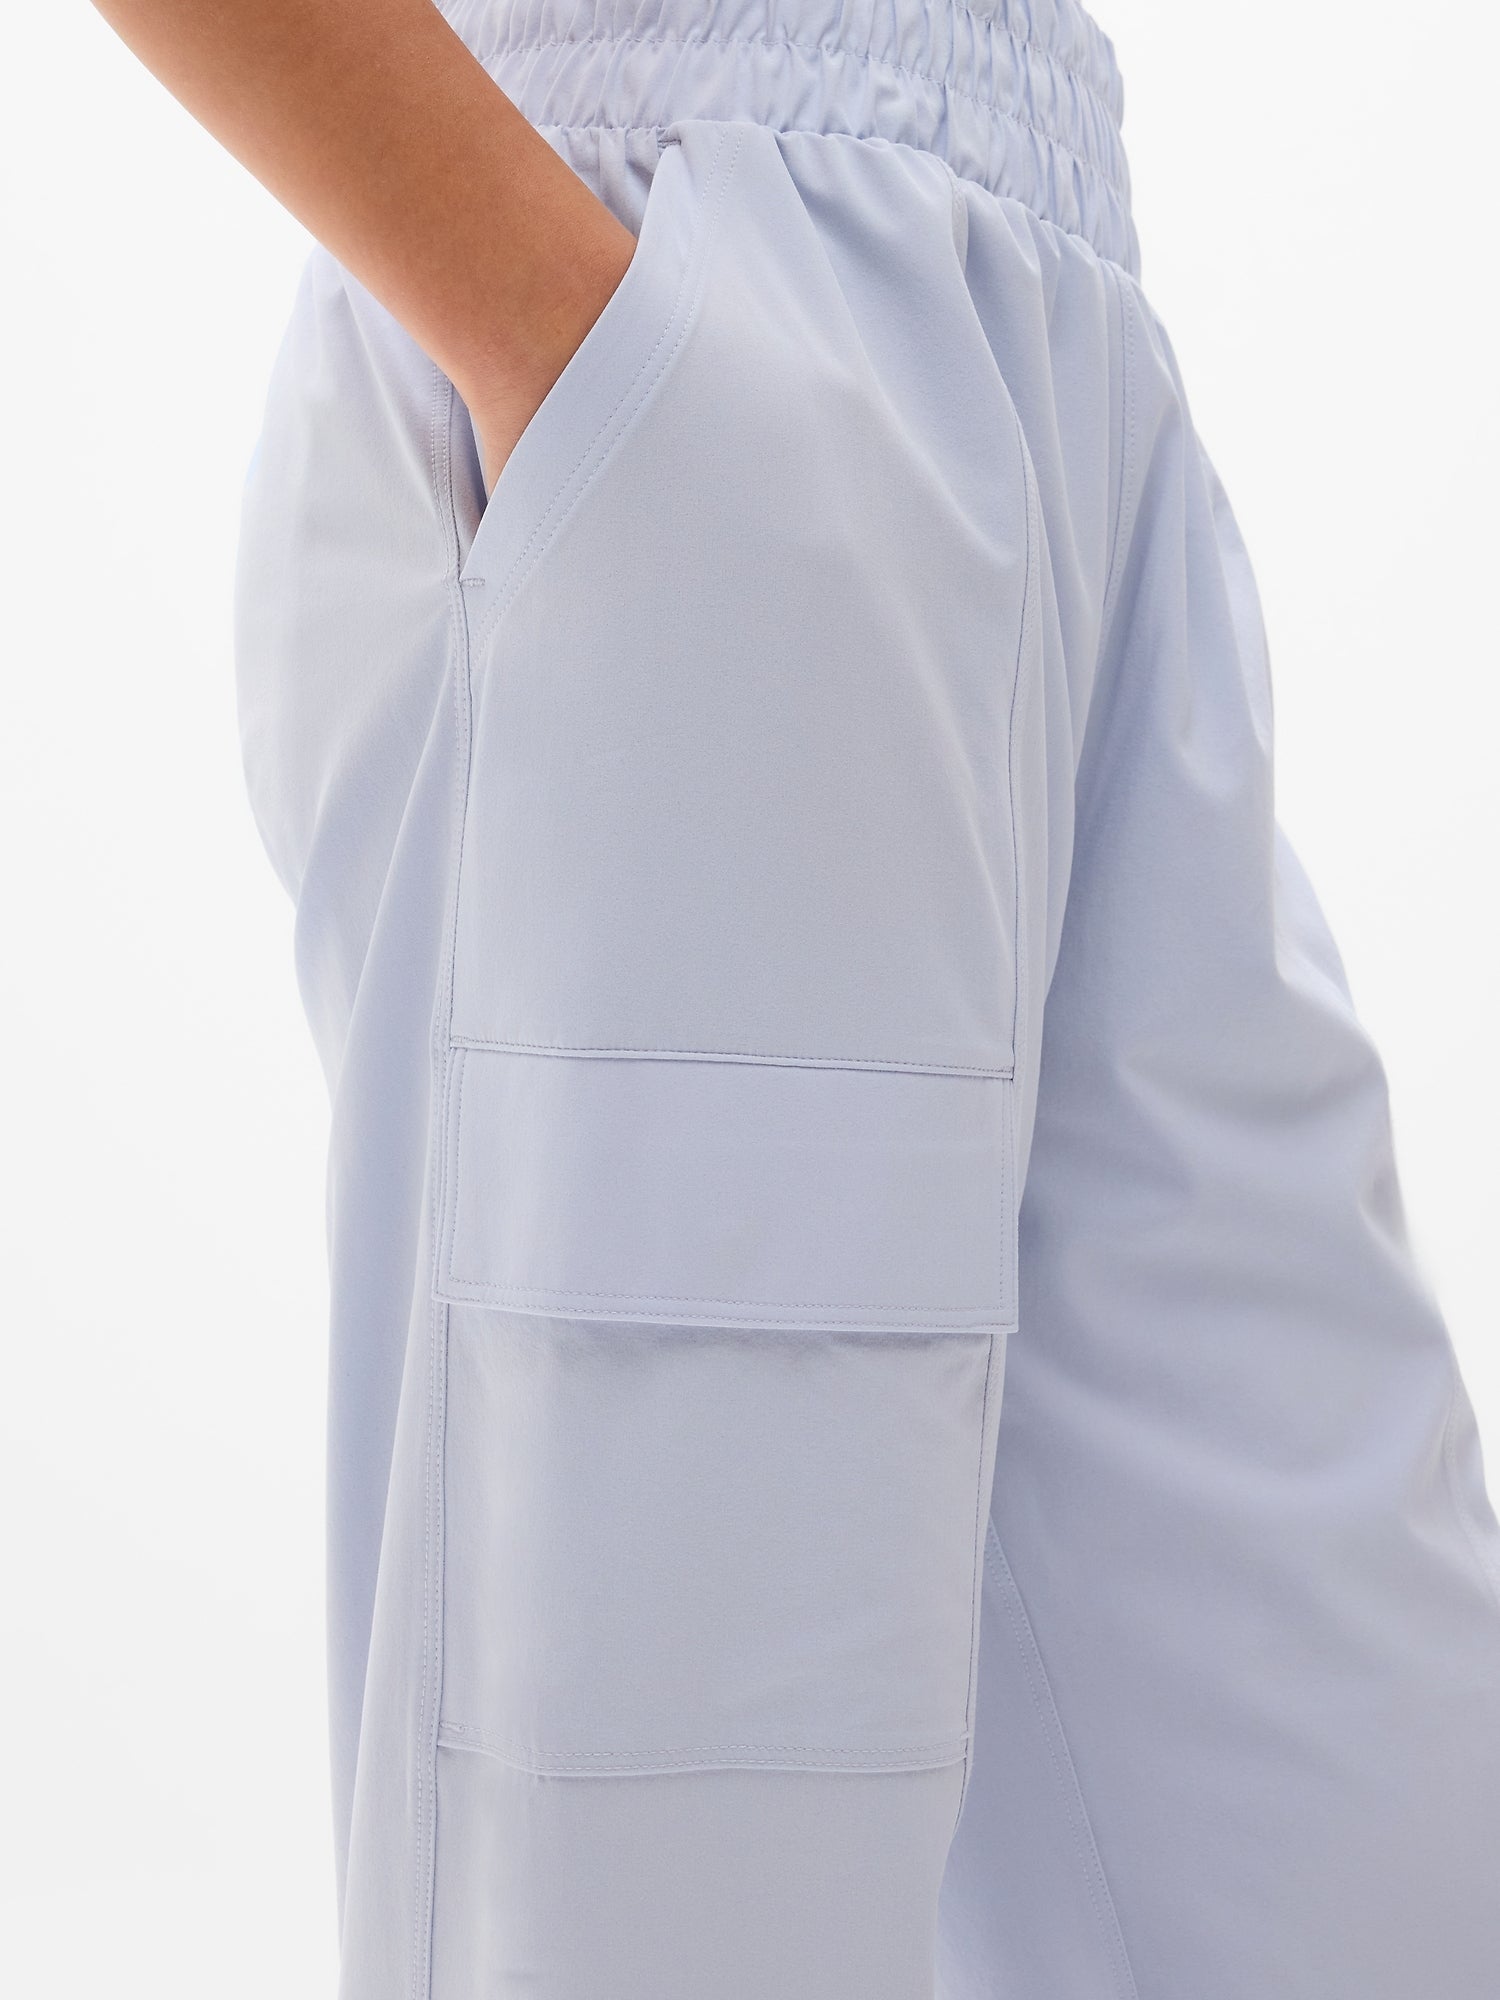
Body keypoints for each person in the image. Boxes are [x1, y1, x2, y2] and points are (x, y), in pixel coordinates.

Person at [90, 1, 1500, 1995]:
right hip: (669, 267)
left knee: (1373, 1838)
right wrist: (575, 340)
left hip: (1051, 330)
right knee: (683, 1896)